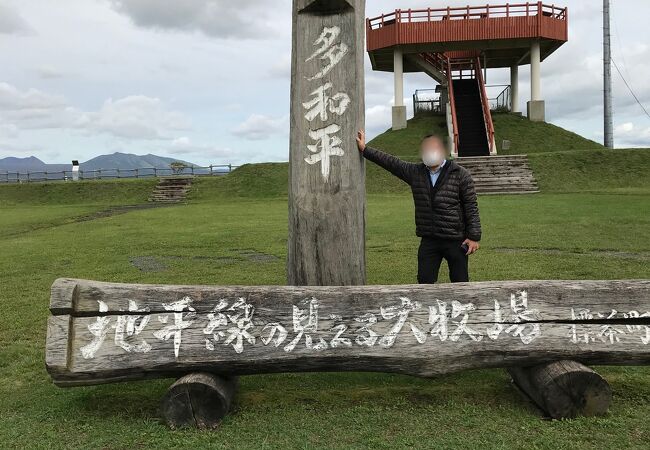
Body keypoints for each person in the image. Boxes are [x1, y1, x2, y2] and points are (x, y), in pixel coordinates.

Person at [356, 130, 481, 283]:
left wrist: (473, 237)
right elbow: (391, 162)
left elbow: (471, 206)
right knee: (424, 282)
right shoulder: (416, 172)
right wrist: (365, 149)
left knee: (460, 281)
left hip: (455, 239)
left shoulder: (460, 174)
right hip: (429, 239)